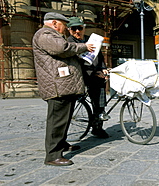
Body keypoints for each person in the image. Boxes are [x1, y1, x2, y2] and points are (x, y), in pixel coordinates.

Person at [33, 12, 94, 166]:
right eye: (63, 25)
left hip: (64, 85)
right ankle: (53, 156)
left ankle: (62, 144)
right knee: (57, 121)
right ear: (54, 23)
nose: (65, 29)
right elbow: (63, 48)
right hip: (57, 86)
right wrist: (84, 47)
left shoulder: (50, 35)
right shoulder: (45, 34)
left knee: (64, 119)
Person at [67, 17, 109, 138]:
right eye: (74, 29)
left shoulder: (90, 39)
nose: (77, 31)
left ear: (83, 28)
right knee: (95, 95)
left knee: (100, 99)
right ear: (69, 30)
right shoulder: (70, 42)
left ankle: (98, 122)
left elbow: (99, 56)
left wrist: (103, 68)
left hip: (95, 73)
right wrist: (95, 72)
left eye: (79, 28)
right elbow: (77, 62)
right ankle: (97, 123)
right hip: (83, 75)